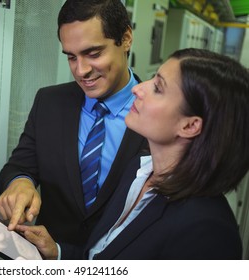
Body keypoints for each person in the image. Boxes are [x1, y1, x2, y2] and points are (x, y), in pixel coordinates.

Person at [16, 48, 248, 260]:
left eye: (158, 88)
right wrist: (57, 253)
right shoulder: (140, 171)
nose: (138, 88)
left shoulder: (208, 232)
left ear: (189, 126)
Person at [0, 0, 147, 252]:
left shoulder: (157, 115)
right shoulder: (49, 102)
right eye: (71, 57)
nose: (81, 70)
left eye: (94, 54)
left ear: (126, 38)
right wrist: (21, 182)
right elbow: (20, 165)